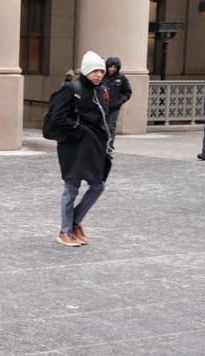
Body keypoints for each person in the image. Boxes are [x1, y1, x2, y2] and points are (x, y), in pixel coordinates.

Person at [50, 51, 112, 247]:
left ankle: (74, 223)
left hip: (95, 147)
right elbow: (58, 118)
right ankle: (64, 231)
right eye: (95, 71)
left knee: (98, 186)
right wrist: (80, 131)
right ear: (86, 71)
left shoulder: (101, 90)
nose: (99, 75)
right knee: (71, 188)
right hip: (74, 147)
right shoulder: (71, 88)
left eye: (101, 71)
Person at [102, 57, 132, 149]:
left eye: (115, 67)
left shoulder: (121, 78)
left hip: (114, 108)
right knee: (101, 126)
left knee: (111, 127)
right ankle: (101, 146)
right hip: (101, 107)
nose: (112, 69)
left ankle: (109, 147)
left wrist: (119, 102)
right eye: (111, 66)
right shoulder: (102, 76)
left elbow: (127, 92)